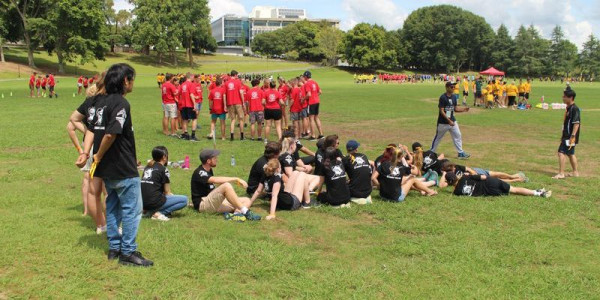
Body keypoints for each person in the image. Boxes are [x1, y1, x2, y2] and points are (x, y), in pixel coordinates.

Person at [88, 63, 153, 266]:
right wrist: (97, 155)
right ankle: (128, 252)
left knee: (113, 207)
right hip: (122, 169)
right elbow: (110, 133)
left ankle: (114, 248)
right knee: (132, 210)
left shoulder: (99, 102)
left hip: (107, 169)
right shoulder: (121, 104)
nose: (132, 83)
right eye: (132, 79)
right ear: (125, 81)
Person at [70, 75, 108, 234]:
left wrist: (86, 133)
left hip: (89, 146)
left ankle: (99, 223)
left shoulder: (88, 105)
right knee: (107, 189)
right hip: (103, 146)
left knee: (91, 185)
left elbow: (72, 121)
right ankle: (109, 223)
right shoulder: (107, 104)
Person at [191, 149, 261, 221]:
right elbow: (215, 180)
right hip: (203, 205)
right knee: (226, 186)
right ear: (208, 161)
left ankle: (236, 215)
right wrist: (236, 179)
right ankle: (246, 212)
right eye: (214, 158)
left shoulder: (209, 170)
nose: (217, 159)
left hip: (213, 203)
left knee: (247, 200)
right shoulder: (200, 172)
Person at [372, 148, 437, 202]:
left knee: (402, 181)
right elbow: (416, 173)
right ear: (401, 157)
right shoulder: (402, 167)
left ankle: (422, 190)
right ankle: (430, 191)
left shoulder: (384, 164)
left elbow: (373, 178)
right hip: (396, 198)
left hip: (382, 196)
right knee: (412, 178)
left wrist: (380, 186)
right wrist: (414, 167)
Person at [141, 146, 187, 221]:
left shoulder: (147, 167)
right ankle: (157, 213)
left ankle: (148, 211)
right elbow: (167, 192)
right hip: (153, 202)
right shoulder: (163, 169)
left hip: (142, 202)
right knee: (184, 200)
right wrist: (174, 197)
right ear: (164, 157)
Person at [431, 81, 470, 159]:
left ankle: (460, 153)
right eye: (452, 87)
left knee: (458, 135)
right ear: (447, 87)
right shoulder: (443, 97)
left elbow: (455, 109)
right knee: (438, 137)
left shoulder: (454, 97)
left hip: (453, 121)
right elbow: (441, 110)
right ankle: (431, 152)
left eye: (454, 87)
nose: (453, 88)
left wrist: (464, 109)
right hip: (443, 122)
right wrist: (448, 121)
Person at [444, 172, 551, 198]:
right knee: (514, 189)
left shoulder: (456, 192)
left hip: (491, 193)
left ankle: (538, 192)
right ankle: (538, 193)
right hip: (491, 182)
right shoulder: (465, 177)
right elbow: (483, 177)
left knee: (512, 192)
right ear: (456, 176)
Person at [552, 87, 580, 179]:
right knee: (570, 154)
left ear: (570, 97)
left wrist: (572, 136)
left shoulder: (574, 109)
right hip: (567, 135)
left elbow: (576, 124)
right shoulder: (569, 108)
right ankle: (575, 172)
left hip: (569, 136)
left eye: (564, 97)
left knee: (561, 152)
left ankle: (561, 173)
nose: (563, 98)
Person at [439, 160, 527, 186]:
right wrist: (443, 175)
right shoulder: (450, 176)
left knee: (494, 173)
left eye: (454, 167)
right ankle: (516, 180)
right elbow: (442, 186)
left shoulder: (457, 167)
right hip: (474, 180)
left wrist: (475, 174)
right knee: (497, 180)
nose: (454, 168)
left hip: (476, 172)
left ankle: (512, 176)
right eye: (452, 168)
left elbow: (469, 169)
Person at [301, 71, 324, 140]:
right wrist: (315, 96)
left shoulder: (307, 84)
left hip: (311, 103)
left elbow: (308, 94)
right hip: (317, 101)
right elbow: (320, 92)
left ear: (305, 76)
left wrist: (303, 99)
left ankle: (313, 135)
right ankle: (321, 134)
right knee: (316, 118)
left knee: (311, 119)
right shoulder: (314, 82)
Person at [225, 70, 245, 141]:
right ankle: (242, 136)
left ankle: (232, 136)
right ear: (236, 75)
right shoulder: (238, 82)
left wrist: (225, 104)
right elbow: (241, 93)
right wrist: (243, 102)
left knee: (233, 120)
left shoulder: (226, 83)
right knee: (241, 119)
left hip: (230, 103)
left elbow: (225, 94)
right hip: (238, 103)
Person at [178, 73, 197, 141]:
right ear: (191, 77)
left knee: (185, 120)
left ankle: (185, 134)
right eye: (193, 77)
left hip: (183, 105)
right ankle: (193, 135)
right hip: (190, 104)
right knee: (194, 119)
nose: (193, 78)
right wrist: (195, 104)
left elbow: (179, 94)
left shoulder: (182, 84)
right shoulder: (191, 84)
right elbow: (191, 94)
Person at [208, 76, 228, 140]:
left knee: (213, 122)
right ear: (220, 83)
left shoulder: (212, 91)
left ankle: (211, 133)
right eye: (222, 82)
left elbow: (210, 101)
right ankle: (223, 136)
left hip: (214, 108)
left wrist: (210, 108)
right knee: (222, 123)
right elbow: (224, 99)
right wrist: (225, 106)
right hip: (221, 109)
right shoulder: (223, 90)